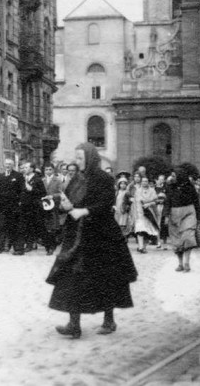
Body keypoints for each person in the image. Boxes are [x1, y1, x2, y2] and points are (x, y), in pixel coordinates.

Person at [47, 143, 137, 339]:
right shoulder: (76, 179)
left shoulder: (103, 178)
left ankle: (109, 320)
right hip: (77, 235)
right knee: (72, 278)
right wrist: (64, 206)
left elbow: (106, 203)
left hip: (100, 235)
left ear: (90, 157)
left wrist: (85, 211)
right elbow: (70, 203)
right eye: (76, 157)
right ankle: (74, 324)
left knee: (105, 278)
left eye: (80, 158)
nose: (76, 161)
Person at [162, 163, 200, 273]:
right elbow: (167, 202)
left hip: (189, 213)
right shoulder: (170, 188)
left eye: (174, 176)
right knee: (177, 241)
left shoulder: (190, 187)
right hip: (174, 215)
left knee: (188, 237)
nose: (172, 178)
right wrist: (165, 216)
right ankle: (180, 263)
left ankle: (187, 263)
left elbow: (196, 202)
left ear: (180, 176)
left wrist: (199, 217)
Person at [0, 158, 25, 255]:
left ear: (13, 165)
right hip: (2, 207)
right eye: (6, 164)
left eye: (10, 164)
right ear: (4, 165)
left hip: (14, 206)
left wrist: (20, 202)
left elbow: (22, 191)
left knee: (15, 227)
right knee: (1, 226)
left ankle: (18, 249)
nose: (8, 166)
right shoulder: (0, 176)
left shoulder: (18, 176)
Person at [20, 162, 46, 252]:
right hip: (24, 206)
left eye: (26, 167)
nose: (24, 169)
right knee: (25, 226)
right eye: (24, 168)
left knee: (33, 225)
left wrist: (32, 189)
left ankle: (35, 244)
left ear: (31, 169)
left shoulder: (37, 179)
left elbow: (43, 193)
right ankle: (28, 244)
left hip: (33, 207)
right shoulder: (23, 179)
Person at [131, 177, 160, 253]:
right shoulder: (138, 191)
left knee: (148, 232)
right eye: (143, 181)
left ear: (148, 182)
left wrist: (149, 203)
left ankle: (143, 247)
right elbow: (137, 201)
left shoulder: (152, 191)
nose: (144, 183)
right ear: (141, 182)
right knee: (140, 230)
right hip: (140, 213)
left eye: (146, 181)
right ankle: (140, 247)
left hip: (150, 213)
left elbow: (156, 200)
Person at [42, 165, 66, 254]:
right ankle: (47, 245)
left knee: (52, 227)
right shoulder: (42, 180)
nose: (48, 171)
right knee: (45, 226)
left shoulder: (58, 181)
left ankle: (52, 246)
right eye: (46, 169)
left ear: (53, 170)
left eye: (50, 169)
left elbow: (61, 193)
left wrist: (52, 196)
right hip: (44, 205)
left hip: (53, 206)